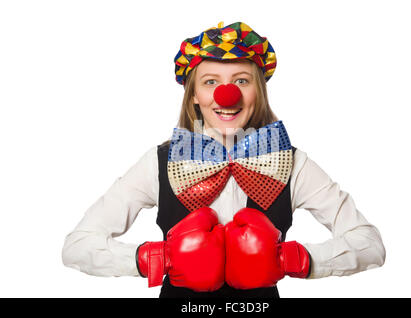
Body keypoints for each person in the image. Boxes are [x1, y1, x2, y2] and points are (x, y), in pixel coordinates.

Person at [62, 21, 386, 298]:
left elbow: (370, 243)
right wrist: (157, 258)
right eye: (210, 82)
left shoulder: (291, 164)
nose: (225, 95)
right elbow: (77, 246)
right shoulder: (160, 162)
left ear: (257, 91)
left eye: (241, 81)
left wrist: (294, 259)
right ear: (194, 95)